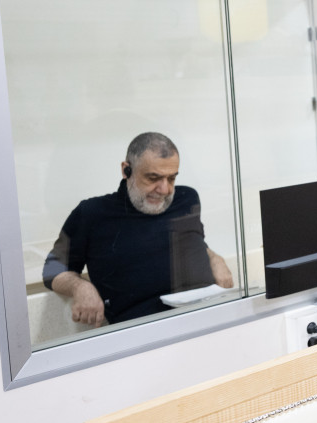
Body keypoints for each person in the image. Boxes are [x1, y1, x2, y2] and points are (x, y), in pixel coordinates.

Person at [43, 132, 234, 326]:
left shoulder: (187, 199)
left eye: (171, 178)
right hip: (142, 330)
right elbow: (53, 269)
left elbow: (190, 242)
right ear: (126, 170)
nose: (165, 189)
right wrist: (80, 287)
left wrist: (214, 258)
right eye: (153, 178)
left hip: (211, 318)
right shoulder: (92, 213)